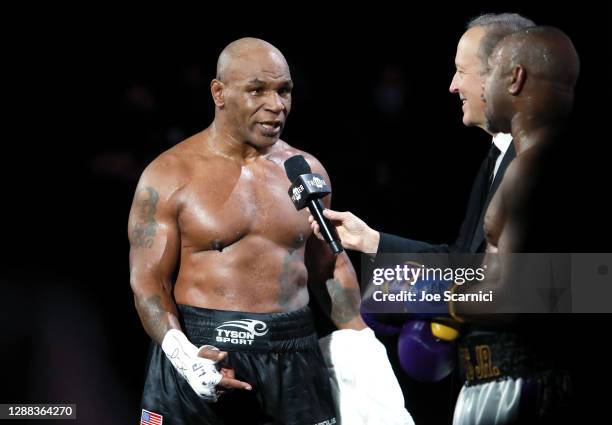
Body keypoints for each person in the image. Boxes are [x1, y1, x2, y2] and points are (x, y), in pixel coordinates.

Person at [128, 37, 411, 425]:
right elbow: (148, 282)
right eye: (257, 90)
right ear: (219, 92)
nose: (276, 106)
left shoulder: (306, 170)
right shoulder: (169, 174)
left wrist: (362, 342)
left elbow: (328, 266)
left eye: (284, 91)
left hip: (293, 356)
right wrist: (183, 354)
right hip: (204, 350)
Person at [310, 12, 535, 255]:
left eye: (461, 71)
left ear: (512, 76)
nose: (453, 86)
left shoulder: (536, 162)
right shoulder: (497, 156)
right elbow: (465, 263)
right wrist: (371, 241)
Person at [450, 26, 580, 424]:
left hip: (526, 381)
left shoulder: (534, 169)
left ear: (515, 78)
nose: (477, 87)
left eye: (488, 74)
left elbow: (521, 294)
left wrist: (446, 299)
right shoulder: (527, 163)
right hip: (512, 376)